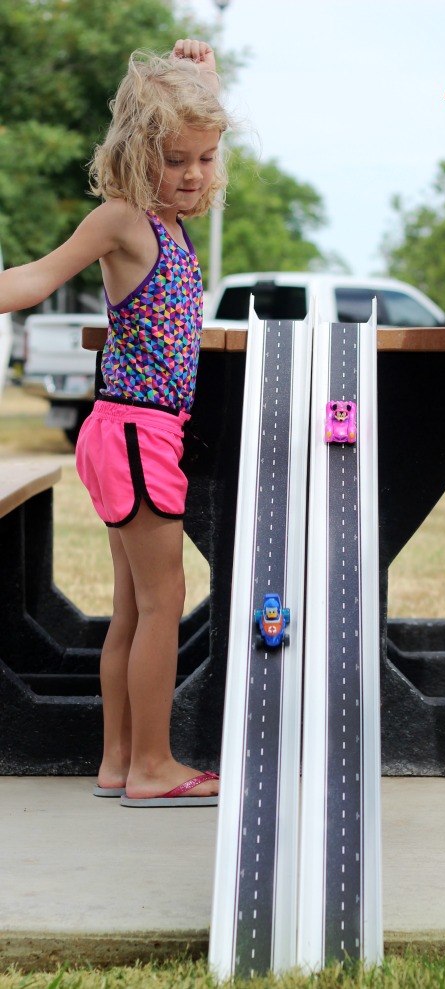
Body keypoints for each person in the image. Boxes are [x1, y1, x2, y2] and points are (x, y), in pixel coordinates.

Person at [0, 39, 231, 807]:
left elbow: (186, 116)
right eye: (176, 159)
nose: (193, 173)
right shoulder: (124, 220)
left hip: (133, 432)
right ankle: (154, 766)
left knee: (133, 606)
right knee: (165, 600)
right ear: (139, 152)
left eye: (205, 157)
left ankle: (118, 760)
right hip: (136, 432)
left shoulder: (166, 220)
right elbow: (36, 277)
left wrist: (199, 78)